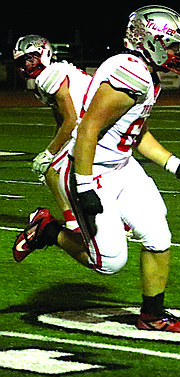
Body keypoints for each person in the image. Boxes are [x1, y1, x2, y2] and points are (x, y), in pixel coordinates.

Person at [12, 5, 180, 333]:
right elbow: (87, 129)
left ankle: (153, 314)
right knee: (109, 262)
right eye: (170, 45)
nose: (176, 53)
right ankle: (47, 229)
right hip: (92, 169)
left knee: (158, 235)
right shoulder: (130, 72)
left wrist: (173, 163)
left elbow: (133, 130)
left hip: (122, 167)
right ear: (149, 41)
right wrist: (84, 185)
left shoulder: (141, 71)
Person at [13, 34, 92, 231]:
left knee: (51, 170)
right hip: (94, 124)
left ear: (44, 53)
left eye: (30, 58)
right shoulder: (53, 73)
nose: (27, 65)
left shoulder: (49, 75)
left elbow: (71, 119)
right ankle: (122, 223)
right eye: (23, 61)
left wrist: (49, 154)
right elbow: (62, 121)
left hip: (89, 125)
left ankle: (73, 222)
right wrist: (52, 150)